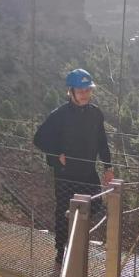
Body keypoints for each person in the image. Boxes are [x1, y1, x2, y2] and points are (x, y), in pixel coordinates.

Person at [33, 68, 114, 265]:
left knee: (94, 205)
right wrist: (56, 154)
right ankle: (61, 251)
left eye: (87, 90)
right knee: (63, 212)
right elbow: (39, 139)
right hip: (65, 174)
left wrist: (108, 166)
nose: (85, 94)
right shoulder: (59, 115)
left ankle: (77, 241)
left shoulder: (96, 114)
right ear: (71, 92)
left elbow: (102, 141)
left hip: (87, 172)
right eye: (81, 90)